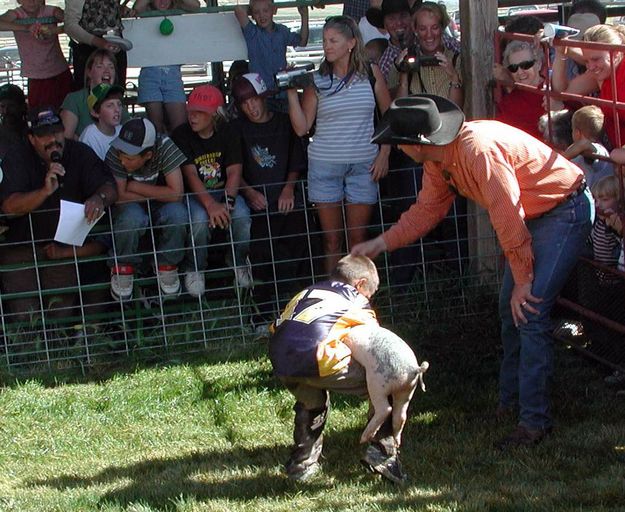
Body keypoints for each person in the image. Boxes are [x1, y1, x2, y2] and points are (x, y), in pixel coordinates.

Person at [352, 95, 594, 449]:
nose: (396, 149)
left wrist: (523, 281)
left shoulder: (477, 151)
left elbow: (508, 215)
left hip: (563, 211)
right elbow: (427, 211)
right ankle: (511, 403)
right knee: (511, 313)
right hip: (537, 217)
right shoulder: (439, 160)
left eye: (395, 143)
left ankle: (533, 422)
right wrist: (381, 244)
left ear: (413, 145)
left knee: (529, 310)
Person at [269, 254, 405, 483]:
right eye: (370, 294)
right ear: (360, 284)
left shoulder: (308, 292)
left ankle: (301, 465)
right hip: (317, 359)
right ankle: (382, 454)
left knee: (311, 400)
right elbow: (376, 347)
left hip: (280, 358)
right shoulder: (356, 301)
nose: (369, 300)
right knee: (391, 378)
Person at [287, 15, 391, 274]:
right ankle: (333, 297)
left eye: (333, 40)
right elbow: (302, 127)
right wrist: (290, 92)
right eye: (324, 41)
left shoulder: (370, 72)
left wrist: (384, 153)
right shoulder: (317, 80)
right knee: (332, 241)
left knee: (358, 239)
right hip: (325, 163)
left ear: (351, 43)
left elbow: (390, 116)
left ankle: (359, 295)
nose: (327, 46)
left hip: (364, 163)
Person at [0, 107, 117, 322]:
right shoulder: (16, 157)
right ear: (32, 138)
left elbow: (109, 186)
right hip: (21, 246)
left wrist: (98, 198)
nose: (53, 140)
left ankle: (61, 350)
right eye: (44, 135)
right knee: (25, 310)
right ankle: (29, 354)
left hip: (63, 244)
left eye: (57, 132)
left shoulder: (79, 153)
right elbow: (9, 207)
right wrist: (44, 192)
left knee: (61, 309)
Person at [229, 72, 309, 330]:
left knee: (298, 246)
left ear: (264, 98)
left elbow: (296, 159)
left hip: (285, 200)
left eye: (253, 100)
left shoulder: (285, 123)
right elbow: (232, 167)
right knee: (263, 255)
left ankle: (299, 312)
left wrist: (289, 188)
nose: (250, 107)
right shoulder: (237, 130)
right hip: (257, 204)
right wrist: (249, 192)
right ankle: (262, 316)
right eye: (244, 103)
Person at [170, 85, 252, 294]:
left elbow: (235, 171)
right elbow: (190, 175)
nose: (193, 117)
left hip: (225, 191)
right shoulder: (181, 134)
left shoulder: (229, 131)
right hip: (196, 195)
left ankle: (238, 261)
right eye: (191, 111)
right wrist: (210, 205)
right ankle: (195, 267)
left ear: (215, 113)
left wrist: (228, 202)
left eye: (200, 112)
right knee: (198, 220)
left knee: (241, 215)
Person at [105, 117, 189, 301]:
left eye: (129, 157)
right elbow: (119, 197)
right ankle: (122, 266)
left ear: (148, 155)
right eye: (121, 153)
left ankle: (167, 265)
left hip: (154, 201)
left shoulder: (165, 146)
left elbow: (176, 195)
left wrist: (135, 186)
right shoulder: (116, 151)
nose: (121, 159)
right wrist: (158, 194)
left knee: (178, 213)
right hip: (134, 204)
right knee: (131, 218)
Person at [552, 24, 625, 149]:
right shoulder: (600, 73)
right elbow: (562, 92)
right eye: (586, 61)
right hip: (613, 152)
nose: (590, 67)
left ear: (617, 54)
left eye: (596, 59)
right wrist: (561, 52)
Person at [132, 0, 200, 134]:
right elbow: (137, 7)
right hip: (150, 74)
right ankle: (158, 154)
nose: (162, 1)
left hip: (172, 73)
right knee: (155, 127)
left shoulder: (179, 8)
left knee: (180, 127)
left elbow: (196, 6)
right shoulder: (146, 12)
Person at [234, 0, 309, 113]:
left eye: (265, 10)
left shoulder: (282, 31)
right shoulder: (252, 32)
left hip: (283, 92)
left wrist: (304, 16)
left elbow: (302, 41)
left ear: (274, 10)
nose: (262, 15)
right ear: (252, 15)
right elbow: (239, 10)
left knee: (285, 125)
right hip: (263, 95)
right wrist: (250, 8)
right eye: (256, 12)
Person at [0, 0, 71, 109]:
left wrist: (54, 30)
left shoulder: (51, 10)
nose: (32, 1)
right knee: (38, 115)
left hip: (59, 72)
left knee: (69, 109)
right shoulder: (16, 14)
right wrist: (27, 28)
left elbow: (73, 23)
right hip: (35, 76)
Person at [390, 1, 463, 107]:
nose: (429, 35)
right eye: (423, 29)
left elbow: (456, 110)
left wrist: (453, 76)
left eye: (434, 28)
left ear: (442, 28)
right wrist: (404, 75)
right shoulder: (404, 62)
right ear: (415, 30)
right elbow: (400, 111)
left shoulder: (457, 60)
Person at [60, 48, 130, 139]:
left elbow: (129, 132)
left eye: (111, 67)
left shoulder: (117, 100)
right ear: (89, 72)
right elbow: (66, 140)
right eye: (100, 66)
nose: (107, 71)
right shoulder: (74, 99)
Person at [64, 0, 129, 91]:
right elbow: (69, 26)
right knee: (86, 94)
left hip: (115, 46)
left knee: (117, 92)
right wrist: (99, 42)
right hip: (87, 50)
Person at [495, 40, 545, 140]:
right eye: (513, 68)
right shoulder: (508, 102)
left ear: (539, 64)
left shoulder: (553, 90)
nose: (520, 72)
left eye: (526, 65)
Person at [563, 105, 613, 189]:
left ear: (577, 133)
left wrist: (563, 158)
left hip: (597, 196)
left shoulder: (599, 150)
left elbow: (584, 144)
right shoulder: (580, 152)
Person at [366, 0, 413, 81]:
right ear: (384, 24)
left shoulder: (430, 42)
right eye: (392, 18)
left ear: (411, 18)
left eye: (403, 16)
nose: (399, 23)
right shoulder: (385, 64)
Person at [79, 83, 124, 160]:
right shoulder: (90, 136)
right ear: (95, 112)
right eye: (110, 105)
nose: (117, 110)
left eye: (119, 104)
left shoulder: (122, 130)